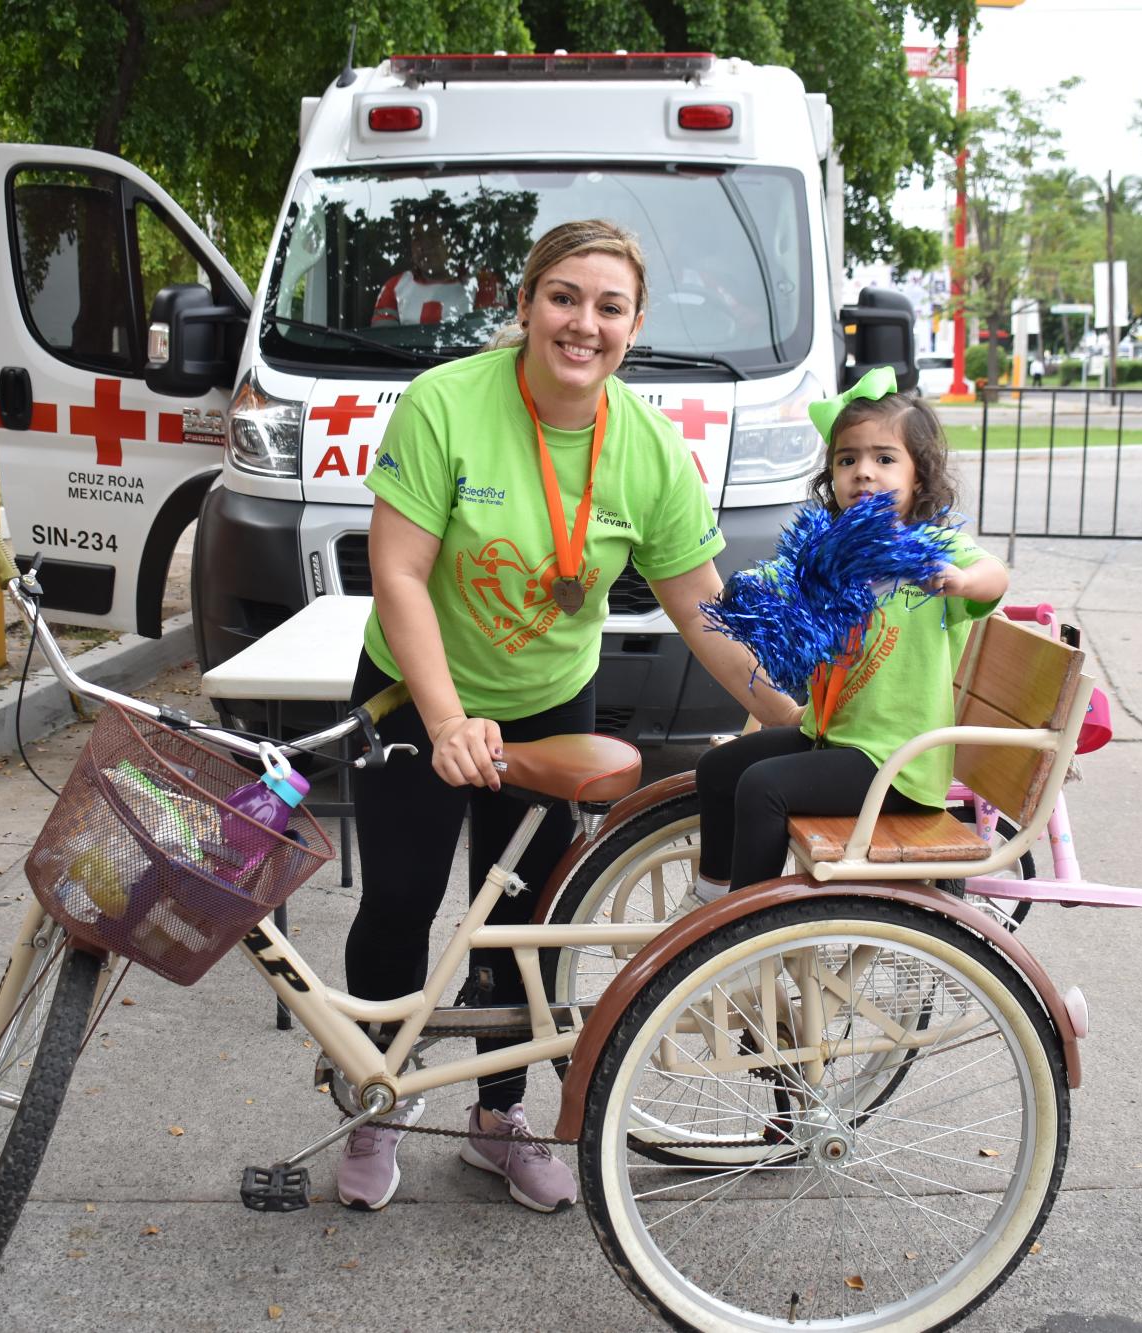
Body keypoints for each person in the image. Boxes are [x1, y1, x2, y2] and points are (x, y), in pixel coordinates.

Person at [337, 219, 801, 1214]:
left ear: (632, 328)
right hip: (413, 699)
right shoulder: (445, 405)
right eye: (562, 297)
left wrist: (790, 709)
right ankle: (373, 1098)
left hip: (549, 704)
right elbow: (399, 574)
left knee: (523, 926)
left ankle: (495, 1119)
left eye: (607, 306)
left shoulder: (644, 449)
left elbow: (703, 608)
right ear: (524, 304)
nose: (581, 323)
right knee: (398, 908)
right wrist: (448, 717)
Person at [687, 368, 1009, 909]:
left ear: (920, 478)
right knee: (719, 768)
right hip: (833, 739)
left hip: (895, 764)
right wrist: (744, 592)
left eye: (884, 459)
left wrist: (959, 580)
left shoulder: (929, 548)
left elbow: (994, 575)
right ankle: (707, 899)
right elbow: (780, 579)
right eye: (847, 459)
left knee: (763, 788)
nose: (863, 472)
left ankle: (744, 926)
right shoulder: (829, 551)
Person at [370, 212, 499, 326]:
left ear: (455, 241)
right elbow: (384, 345)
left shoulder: (482, 282)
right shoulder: (393, 286)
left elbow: (493, 341)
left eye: (433, 235)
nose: (425, 245)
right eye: (417, 237)